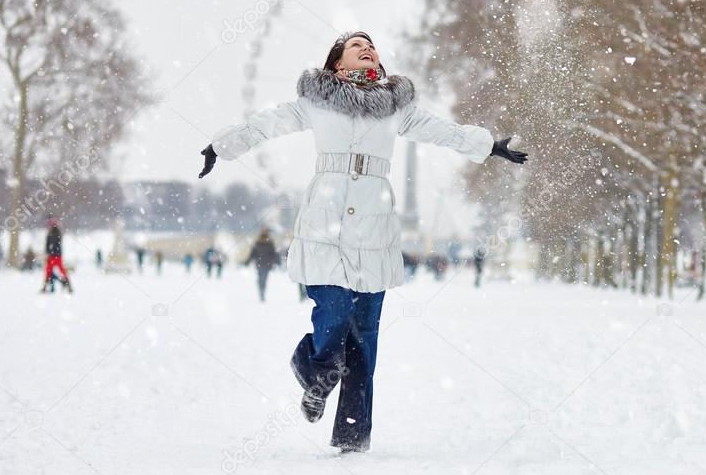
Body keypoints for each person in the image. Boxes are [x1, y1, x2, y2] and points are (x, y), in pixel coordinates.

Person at [198, 30, 527, 453]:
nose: (366, 47)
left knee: (364, 336)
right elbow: (266, 124)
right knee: (333, 310)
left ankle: (352, 433)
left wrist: (488, 146)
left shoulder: (395, 108)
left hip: (374, 229)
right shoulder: (315, 102)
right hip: (326, 223)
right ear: (336, 63)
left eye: (370, 45)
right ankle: (315, 371)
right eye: (356, 45)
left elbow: (442, 131)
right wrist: (220, 146)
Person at [244, 228, 281, 302]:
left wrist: (247, 262)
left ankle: (261, 291)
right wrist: (277, 261)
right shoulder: (269, 244)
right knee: (263, 279)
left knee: (261, 279)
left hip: (260, 264)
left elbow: (252, 254)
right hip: (266, 264)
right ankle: (262, 291)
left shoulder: (259, 244)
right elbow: (274, 254)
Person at [40, 217, 73, 294]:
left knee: (51, 271)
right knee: (53, 271)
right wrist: (48, 253)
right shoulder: (51, 233)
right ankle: (66, 285)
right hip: (54, 256)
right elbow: (48, 246)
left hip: (55, 256)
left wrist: (49, 253)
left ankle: (47, 287)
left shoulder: (56, 233)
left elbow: (52, 245)